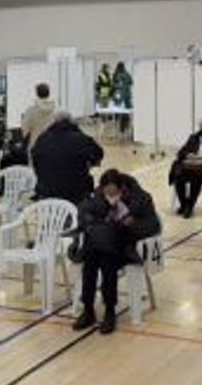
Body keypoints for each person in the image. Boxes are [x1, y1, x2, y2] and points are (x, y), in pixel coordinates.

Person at [73, 169, 160, 335]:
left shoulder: (140, 199)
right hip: (100, 245)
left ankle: (109, 310)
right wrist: (93, 222)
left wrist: (133, 224)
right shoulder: (97, 198)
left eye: (114, 193)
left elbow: (154, 225)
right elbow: (83, 214)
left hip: (126, 246)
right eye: (107, 193)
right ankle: (88, 308)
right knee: (90, 260)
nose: (111, 196)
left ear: (122, 189)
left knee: (107, 261)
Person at [31, 112, 104, 205]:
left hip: (46, 192)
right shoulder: (81, 138)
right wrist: (90, 162)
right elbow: (99, 153)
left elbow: (35, 159)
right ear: (72, 123)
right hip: (76, 192)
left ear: (54, 123)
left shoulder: (43, 138)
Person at [169, 122, 202, 218]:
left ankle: (190, 206)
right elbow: (180, 152)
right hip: (191, 166)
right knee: (178, 176)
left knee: (197, 178)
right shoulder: (194, 137)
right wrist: (188, 155)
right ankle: (184, 205)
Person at [21, 83, 57, 149]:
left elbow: (25, 128)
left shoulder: (31, 110)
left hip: (36, 145)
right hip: (52, 145)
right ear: (48, 94)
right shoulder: (55, 110)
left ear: (37, 94)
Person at [112, 62, 133, 132]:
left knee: (120, 111)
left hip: (120, 95)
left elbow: (114, 85)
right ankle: (126, 127)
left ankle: (122, 128)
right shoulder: (127, 74)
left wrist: (118, 86)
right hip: (126, 95)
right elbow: (131, 82)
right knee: (126, 111)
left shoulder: (116, 74)